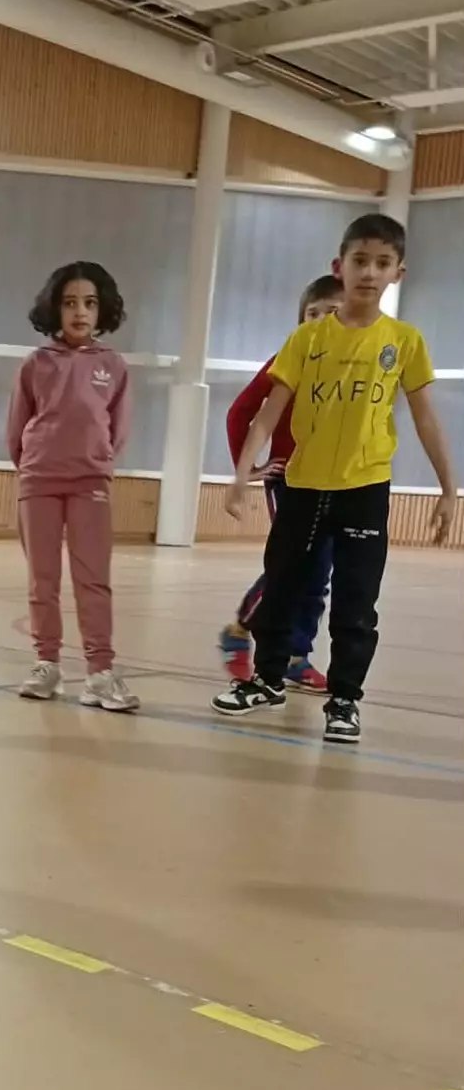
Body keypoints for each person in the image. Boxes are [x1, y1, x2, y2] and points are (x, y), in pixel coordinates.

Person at [212, 212, 458, 743]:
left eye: (382, 263)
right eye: (360, 260)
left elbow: (426, 419)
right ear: (339, 266)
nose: (369, 272)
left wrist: (447, 488)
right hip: (303, 487)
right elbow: (268, 413)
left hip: (364, 490)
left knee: (355, 602)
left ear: (398, 273)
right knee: (282, 586)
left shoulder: (405, 342)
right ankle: (266, 680)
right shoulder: (306, 339)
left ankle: (344, 699)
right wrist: (240, 474)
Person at [7, 261, 139, 712]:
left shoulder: (113, 366)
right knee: (42, 580)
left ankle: (100, 673)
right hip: (39, 480)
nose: (80, 312)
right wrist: (33, 466)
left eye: (89, 303)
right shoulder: (36, 364)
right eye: (69, 303)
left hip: (90, 483)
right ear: (55, 309)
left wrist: (98, 463)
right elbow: (17, 428)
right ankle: (46, 664)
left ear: (102, 310)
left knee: (93, 579)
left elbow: (118, 428)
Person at [218, 272, 344, 691]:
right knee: (291, 565)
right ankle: (240, 629)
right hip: (289, 480)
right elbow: (240, 412)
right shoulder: (287, 360)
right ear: (300, 320)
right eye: (312, 313)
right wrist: (247, 469)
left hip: (335, 482)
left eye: (332, 313)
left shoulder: (351, 368)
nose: (321, 320)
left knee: (319, 574)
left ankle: (296, 656)